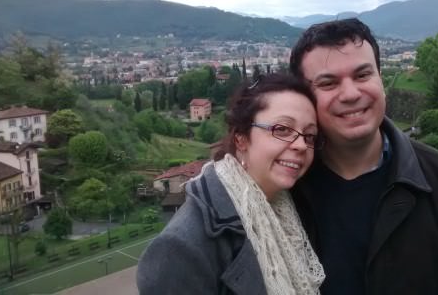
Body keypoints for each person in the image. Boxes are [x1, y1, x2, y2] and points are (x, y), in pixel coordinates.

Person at [289, 18, 438, 294]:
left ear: (381, 79)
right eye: (328, 83)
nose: (350, 93)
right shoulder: (285, 190)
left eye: (362, 75)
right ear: (304, 97)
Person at [137, 74, 325, 294]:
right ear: (241, 139)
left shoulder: (290, 209)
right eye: (282, 129)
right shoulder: (180, 247)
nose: (301, 145)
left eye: (309, 136)